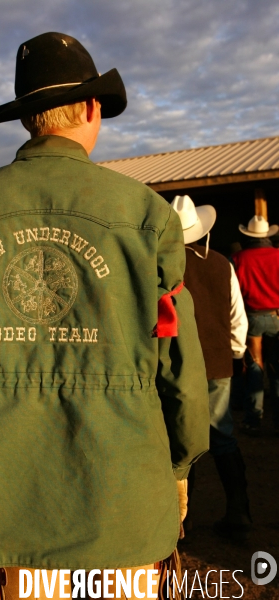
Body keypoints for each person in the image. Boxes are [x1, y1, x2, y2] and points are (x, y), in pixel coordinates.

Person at [0, 32, 209, 599]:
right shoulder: (146, 216)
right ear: (93, 107)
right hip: (124, 504)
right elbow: (180, 369)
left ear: (28, 119)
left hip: (4, 507)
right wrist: (177, 464)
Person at [171, 195, 251, 542]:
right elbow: (236, 314)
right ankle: (239, 511)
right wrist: (236, 352)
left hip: (176, 364)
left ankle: (178, 522)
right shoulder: (221, 264)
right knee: (222, 433)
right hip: (216, 361)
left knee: (177, 436)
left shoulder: (159, 266)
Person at [232, 214, 279, 436]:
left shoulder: (238, 259)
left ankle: (253, 420)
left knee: (255, 368)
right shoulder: (278, 256)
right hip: (277, 316)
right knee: (277, 369)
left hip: (251, 317)